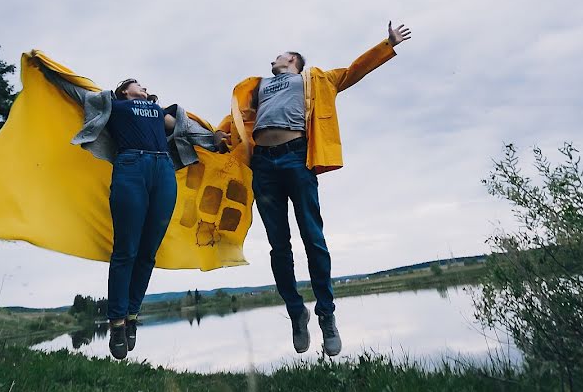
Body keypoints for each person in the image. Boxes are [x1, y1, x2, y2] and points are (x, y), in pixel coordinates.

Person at [220, 21, 412, 356]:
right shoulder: (257, 87)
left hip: (297, 160)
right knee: (279, 246)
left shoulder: (315, 79)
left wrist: (387, 44)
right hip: (264, 164)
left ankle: (326, 316)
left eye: (279, 55)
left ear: (293, 60)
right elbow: (234, 121)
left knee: (313, 237)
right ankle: (297, 312)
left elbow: (354, 72)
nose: (273, 58)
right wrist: (214, 137)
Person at [40, 67, 227, 359]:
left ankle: (132, 318)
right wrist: (48, 69)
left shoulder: (158, 110)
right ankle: (116, 323)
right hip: (131, 167)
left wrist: (213, 137)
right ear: (125, 90)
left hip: (163, 169)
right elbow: (78, 91)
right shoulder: (114, 105)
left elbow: (185, 128)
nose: (144, 85)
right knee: (126, 250)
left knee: (148, 252)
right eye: (138, 83)